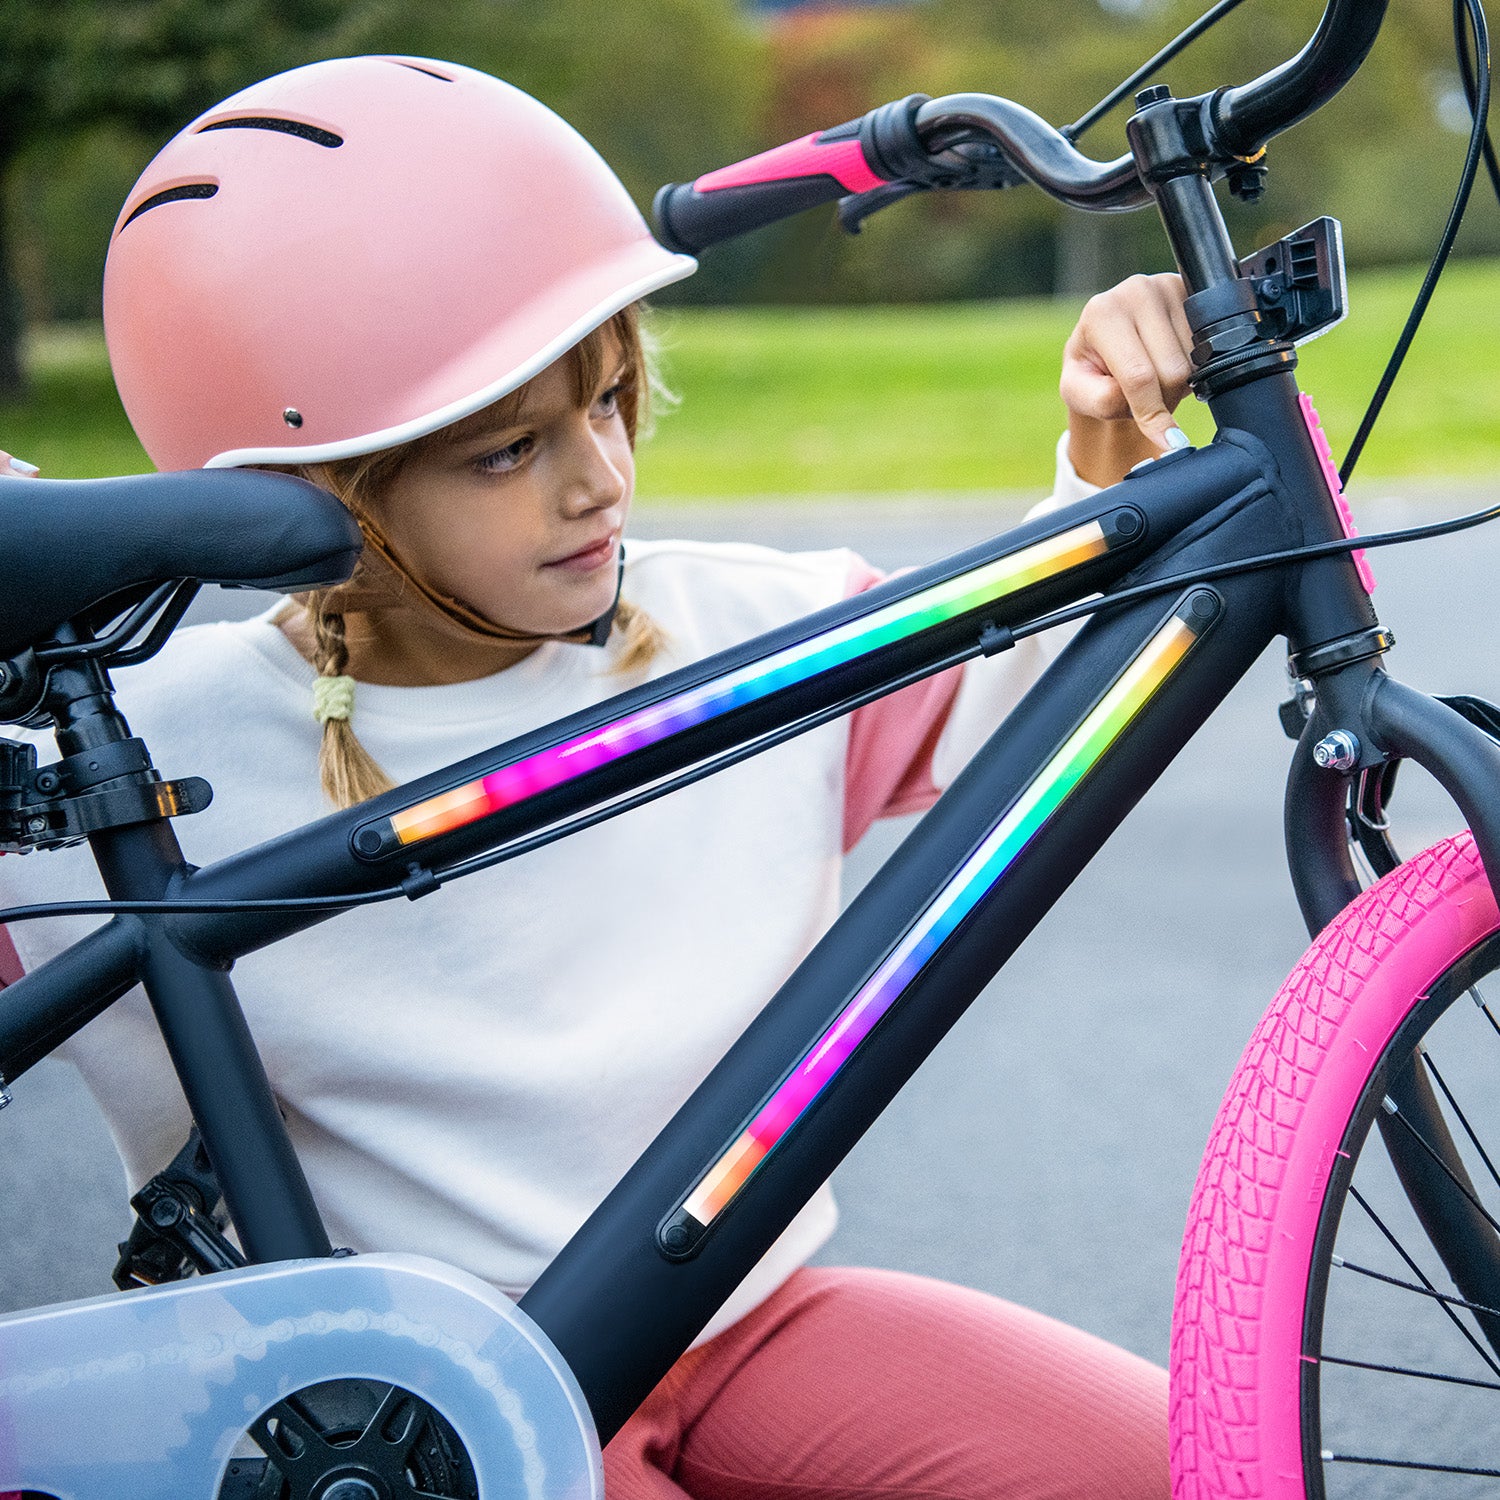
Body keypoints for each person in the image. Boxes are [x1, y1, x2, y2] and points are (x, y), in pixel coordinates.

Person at [0, 57, 1197, 1500]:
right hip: (427, 1420)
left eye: (613, 401)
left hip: (740, 1321)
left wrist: (1103, 450)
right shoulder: (129, 767)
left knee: (1187, 1466)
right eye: (511, 449)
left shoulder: (747, 631)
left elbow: (1019, 704)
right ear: (312, 499)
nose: (600, 480)